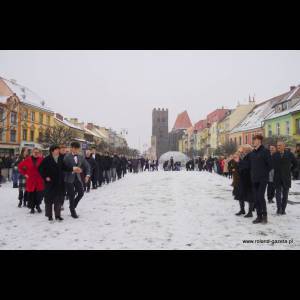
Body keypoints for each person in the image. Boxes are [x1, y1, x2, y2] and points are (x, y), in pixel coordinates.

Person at [39, 145, 74, 221]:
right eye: (56, 150)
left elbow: (65, 168)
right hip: (50, 183)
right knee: (49, 200)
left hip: (59, 183)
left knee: (58, 200)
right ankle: (49, 216)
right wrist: (45, 177)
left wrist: (73, 169)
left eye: (58, 150)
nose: (58, 151)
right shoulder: (46, 159)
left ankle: (58, 215)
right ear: (52, 151)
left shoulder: (60, 159)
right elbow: (41, 170)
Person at [249, 134, 272, 224]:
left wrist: (263, 173)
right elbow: (250, 165)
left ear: (259, 141)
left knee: (260, 196)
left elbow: (270, 165)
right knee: (256, 197)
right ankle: (259, 216)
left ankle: (264, 216)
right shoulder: (252, 153)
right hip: (254, 178)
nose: (253, 141)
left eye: (255, 139)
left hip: (262, 178)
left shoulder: (265, 151)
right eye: (253, 139)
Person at [63, 142, 91, 218]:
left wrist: (87, 175)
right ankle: (73, 211)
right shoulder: (66, 157)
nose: (76, 150)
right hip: (68, 178)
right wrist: (73, 170)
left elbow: (87, 166)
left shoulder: (81, 156)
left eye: (78, 149)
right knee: (71, 195)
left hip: (77, 178)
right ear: (71, 148)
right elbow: (63, 168)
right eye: (75, 148)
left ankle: (72, 205)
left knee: (81, 193)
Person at [273, 140, 298, 215]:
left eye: (280, 145)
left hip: (286, 177)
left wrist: (290, 170)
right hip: (277, 177)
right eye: (277, 146)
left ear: (284, 146)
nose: (278, 147)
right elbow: (271, 164)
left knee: (285, 194)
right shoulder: (275, 155)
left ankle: (283, 209)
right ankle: (279, 209)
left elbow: (296, 164)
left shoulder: (289, 154)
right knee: (277, 194)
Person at [18, 148, 44, 214]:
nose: (36, 153)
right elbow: (20, 167)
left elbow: (46, 168)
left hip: (39, 180)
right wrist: (25, 174)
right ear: (32, 152)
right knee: (31, 194)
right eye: (35, 152)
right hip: (31, 180)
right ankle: (32, 208)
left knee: (39, 194)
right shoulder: (28, 159)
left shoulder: (41, 159)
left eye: (37, 152)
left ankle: (38, 206)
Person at [236, 145, 255, 217]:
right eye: (242, 149)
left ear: (248, 150)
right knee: (240, 194)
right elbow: (239, 166)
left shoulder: (251, 156)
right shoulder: (242, 156)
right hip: (241, 177)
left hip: (249, 178)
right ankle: (242, 210)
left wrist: (239, 163)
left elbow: (248, 165)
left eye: (243, 149)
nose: (242, 150)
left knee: (250, 196)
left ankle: (250, 212)